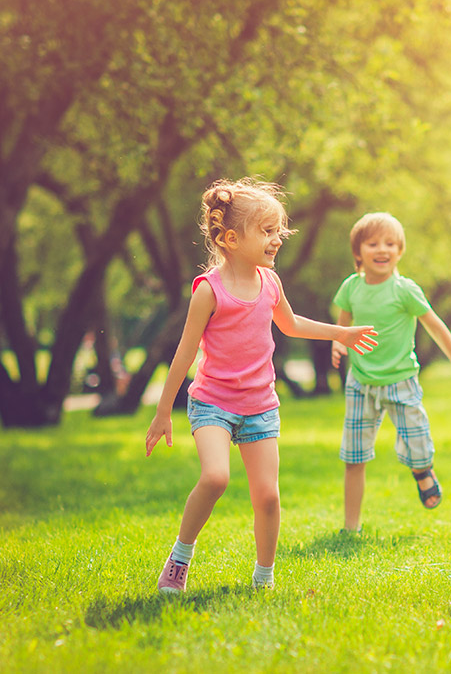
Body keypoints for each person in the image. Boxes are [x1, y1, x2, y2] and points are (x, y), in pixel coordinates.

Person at [145, 178, 378, 594]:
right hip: (213, 402)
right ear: (232, 239)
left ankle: (264, 577)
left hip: (259, 406)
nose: (277, 240)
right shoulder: (209, 292)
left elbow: (290, 324)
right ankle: (181, 556)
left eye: (279, 232)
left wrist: (339, 334)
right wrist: (163, 411)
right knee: (216, 477)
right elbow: (184, 353)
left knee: (268, 497)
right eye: (267, 232)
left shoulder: (270, 283)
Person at [331, 212, 451, 532]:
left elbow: (437, 329)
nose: (382, 249)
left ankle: (422, 470)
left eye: (390, 243)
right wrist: (338, 344)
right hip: (361, 383)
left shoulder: (405, 290)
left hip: (401, 382)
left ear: (400, 251)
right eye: (373, 243)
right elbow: (342, 323)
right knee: (353, 457)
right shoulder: (351, 288)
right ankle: (350, 527)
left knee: (418, 446)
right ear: (359, 252)